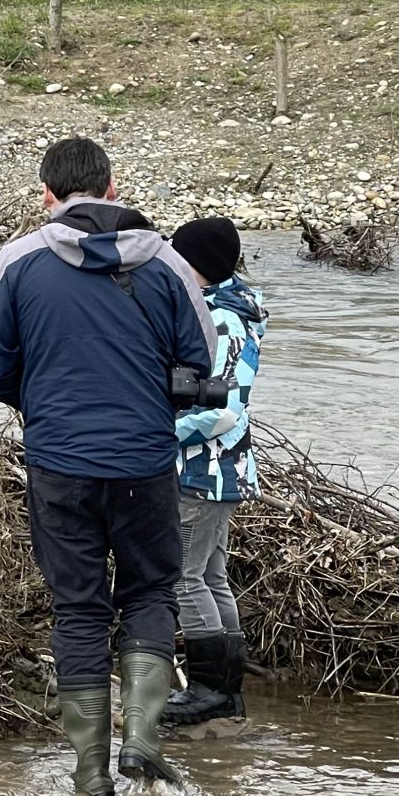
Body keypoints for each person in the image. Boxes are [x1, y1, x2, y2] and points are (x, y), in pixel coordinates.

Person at [0, 138, 216, 796]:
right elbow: (200, 364)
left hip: (59, 463)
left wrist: (43, 403)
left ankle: (89, 775)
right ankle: (141, 741)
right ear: (113, 187)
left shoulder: (16, 260)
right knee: (150, 595)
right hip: (144, 461)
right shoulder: (166, 262)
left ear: (46, 195)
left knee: (78, 609)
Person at [162, 218, 268, 728]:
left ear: (195, 264)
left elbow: (223, 410)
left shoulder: (220, 321)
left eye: (178, 257)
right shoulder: (237, 310)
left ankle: (209, 689)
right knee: (209, 575)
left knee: (184, 576)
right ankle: (227, 690)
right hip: (226, 471)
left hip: (203, 471)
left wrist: (160, 434)